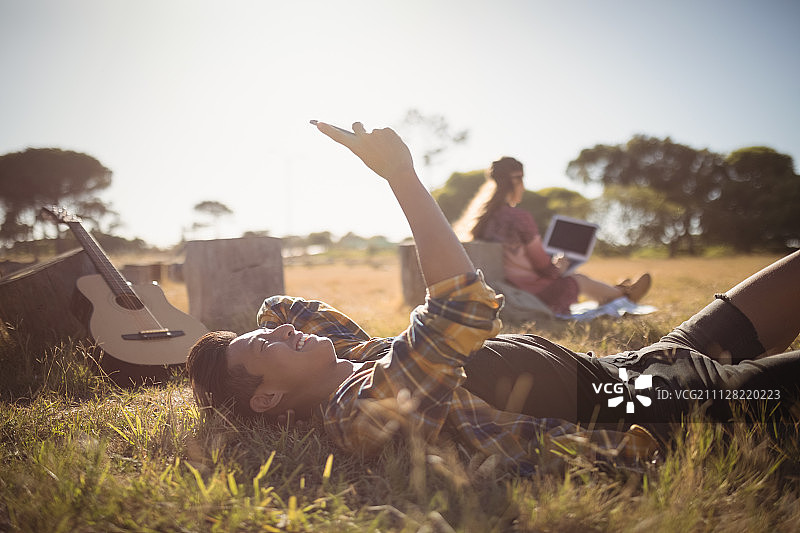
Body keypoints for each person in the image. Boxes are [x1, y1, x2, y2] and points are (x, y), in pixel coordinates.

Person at [187, 121, 800, 474]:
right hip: (651, 411)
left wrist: (231, 346)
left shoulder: (349, 353)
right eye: (267, 346)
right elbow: (461, 307)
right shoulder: (358, 413)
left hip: (632, 370)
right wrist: (402, 175)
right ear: (267, 395)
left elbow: (283, 307)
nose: (281, 330)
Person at [453, 156, 651, 314]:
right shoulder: (519, 218)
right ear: (517, 181)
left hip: (506, 288)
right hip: (532, 292)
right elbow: (543, 267)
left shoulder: (481, 219)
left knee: (573, 277)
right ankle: (624, 295)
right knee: (576, 278)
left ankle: (617, 291)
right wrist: (559, 265)